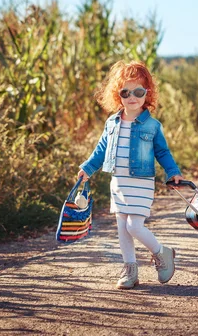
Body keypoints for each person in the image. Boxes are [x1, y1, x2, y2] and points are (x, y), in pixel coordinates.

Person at [77, 60, 184, 290]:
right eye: (126, 92)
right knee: (122, 227)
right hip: (119, 182)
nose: (132, 97)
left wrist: (173, 172)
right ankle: (130, 270)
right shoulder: (112, 123)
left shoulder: (152, 126)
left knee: (135, 226)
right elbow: (100, 151)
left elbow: (162, 152)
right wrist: (87, 169)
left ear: (147, 93)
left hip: (141, 181)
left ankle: (161, 252)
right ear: (118, 95)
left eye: (138, 91)